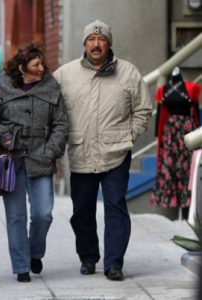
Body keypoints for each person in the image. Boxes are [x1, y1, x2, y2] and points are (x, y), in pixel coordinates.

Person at [53, 20, 153, 281]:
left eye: (102, 40)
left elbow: (143, 109)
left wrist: (129, 135)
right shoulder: (65, 74)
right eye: (91, 40)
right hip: (80, 152)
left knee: (115, 206)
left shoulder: (129, 72)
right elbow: (50, 108)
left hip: (116, 152)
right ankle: (88, 257)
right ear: (84, 44)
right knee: (82, 210)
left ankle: (114, 264)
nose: (96, 44)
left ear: (109, 44)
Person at [0, 43, 68, 282]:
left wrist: (50, 151)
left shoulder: (51, 87)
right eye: (36, 65)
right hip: (10, 159)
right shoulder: (3, 87)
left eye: (42, 63)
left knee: (44, 214)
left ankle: (35, 253)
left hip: (41, 156)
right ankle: (21, 267)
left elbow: (61, 124)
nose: (42, 68)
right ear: (22, 68)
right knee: (16, 216)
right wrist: (4, 137)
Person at [150, 67, 200, 215]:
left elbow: (196, 113)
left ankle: (187, 204)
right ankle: (175, 201)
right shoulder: (162, 90)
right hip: (170, 133)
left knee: (187, 167)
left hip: (187, 130)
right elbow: (159, 115)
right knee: (170, 166)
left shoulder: (192, 88)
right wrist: (157, 136)